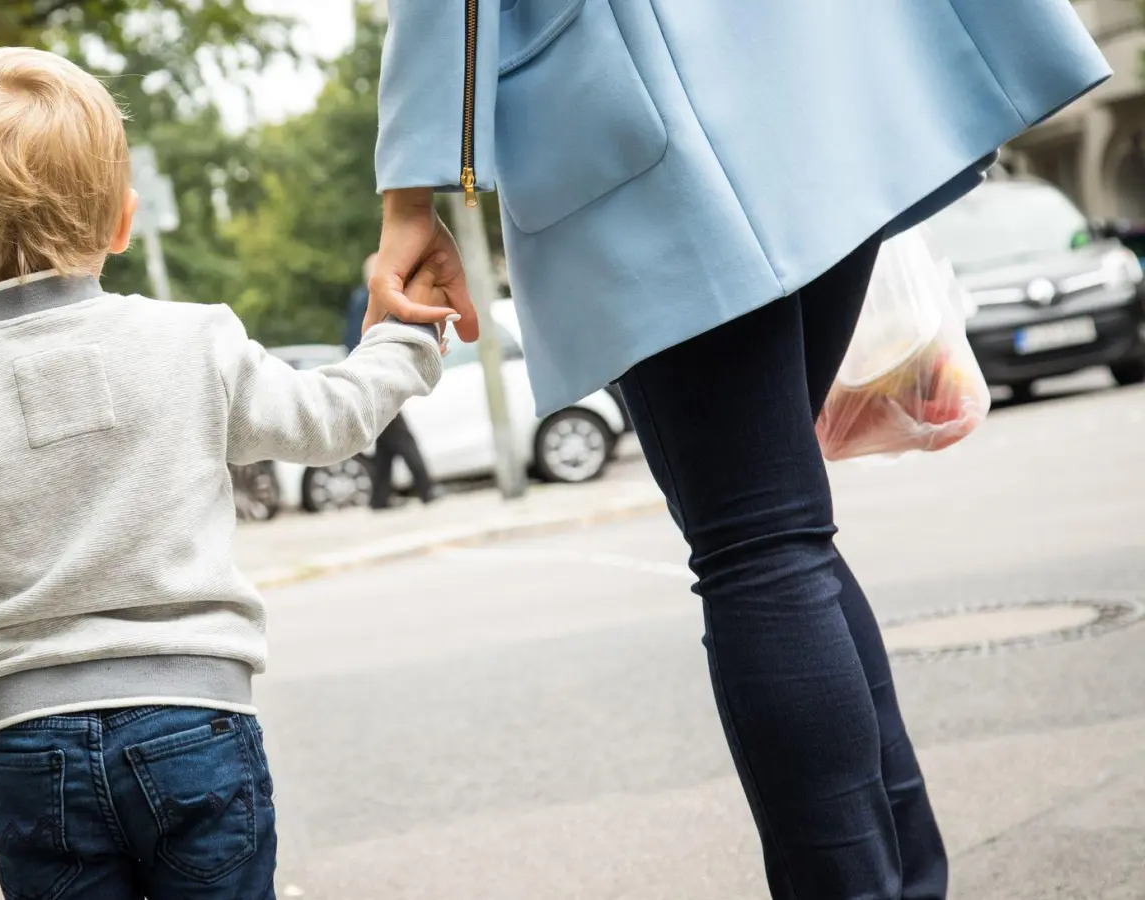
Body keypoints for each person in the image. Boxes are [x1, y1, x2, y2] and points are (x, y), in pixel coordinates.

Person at [367, 3, 1108, 898]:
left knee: (760, 547)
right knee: (787, 536)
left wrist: (411, 193)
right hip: (820, 66)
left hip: (650, 103)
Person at [0, 47, 450, 900]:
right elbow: (328, 419)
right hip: (196, 727)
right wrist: (405, 337)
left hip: (29, 748)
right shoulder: (192, 343)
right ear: (122, 223)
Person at [344, 253, 437, 509]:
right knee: (403, 437)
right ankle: (427, 489)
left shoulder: (360, 300)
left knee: (386, 443)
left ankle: (379, 499)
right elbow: (362, 341)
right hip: (375, 381)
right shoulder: (369, 300)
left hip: (370, 379)